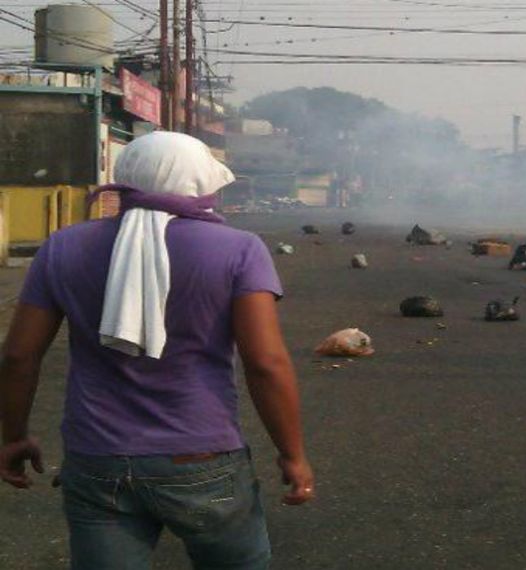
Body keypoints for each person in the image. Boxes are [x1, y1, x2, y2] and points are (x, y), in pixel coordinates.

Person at [0, 132, 313, 569]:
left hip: (97, 459)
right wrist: (292, 454)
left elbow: (18, 356)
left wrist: (13, 437)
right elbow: (265, 363)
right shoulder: (240, 250)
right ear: (200, 183)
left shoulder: (63, 246)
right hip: (201, 456)